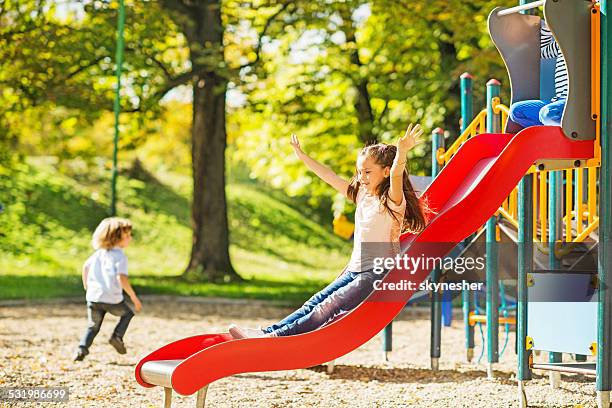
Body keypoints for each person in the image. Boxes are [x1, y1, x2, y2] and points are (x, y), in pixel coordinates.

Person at [229, 123, 427, 339]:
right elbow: (329, 176)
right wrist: (302, 156)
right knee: (315, 301)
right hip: (355, 269)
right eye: (359, 171)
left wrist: (402, 153)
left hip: (378, 273)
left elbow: (397, 174)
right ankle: (267, 332)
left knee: (329, 305)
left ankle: (276, 337)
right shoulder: (362, 195)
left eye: (368, 172)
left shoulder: (392, 201)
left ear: (385, 172)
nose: (362, 177)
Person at [73, 217, 142, 361]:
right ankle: (116, 337)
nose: (130, 238)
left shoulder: (98, 253)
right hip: (112, 299)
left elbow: (85, 267)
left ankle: (81, 350)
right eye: (127, 235)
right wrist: (133, 296)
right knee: (128, 314)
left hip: (94, 297)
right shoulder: (120, 256)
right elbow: (121, 278)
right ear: (116, 237)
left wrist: (87, 287)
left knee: (93, 326)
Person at [509, 21, 567, 128]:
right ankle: (550, 130)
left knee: (548, 114)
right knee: (516, 111)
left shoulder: (585, 42)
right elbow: (541, 53)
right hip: (558, 101)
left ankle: (564, 130)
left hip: (572, 102)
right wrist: (546, 28)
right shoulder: (561, 43)